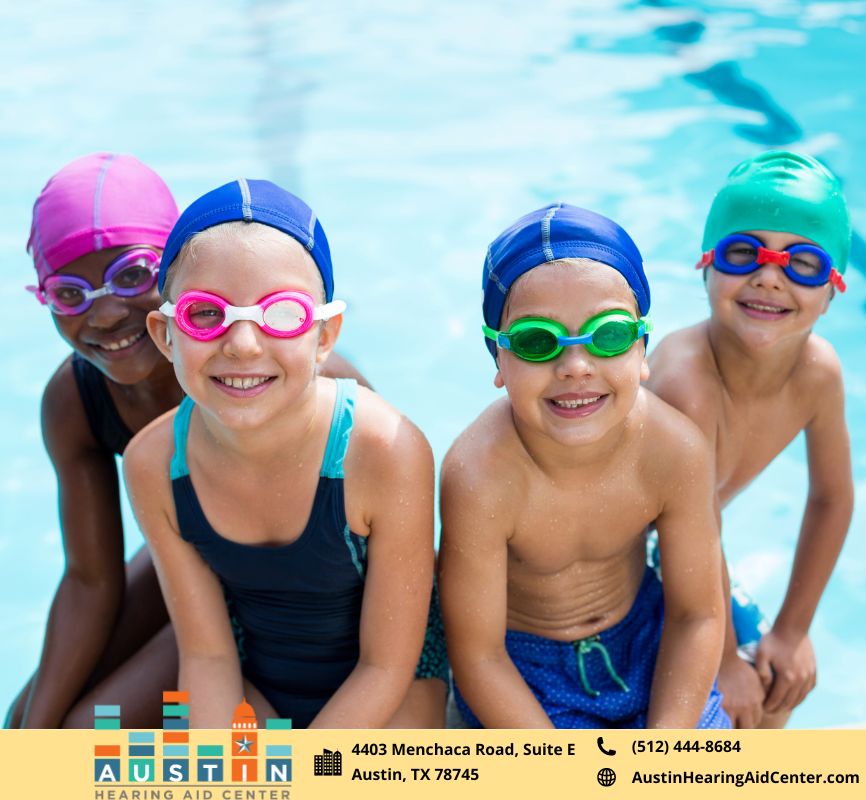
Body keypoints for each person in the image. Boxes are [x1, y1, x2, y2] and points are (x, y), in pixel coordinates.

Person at [7, 154, 370, 729]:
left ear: (176, 274)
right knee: (27, 719)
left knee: (82, 734)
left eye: (131, 275)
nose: (104, 313)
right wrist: (27, 746)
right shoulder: (76, 400)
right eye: (69, 292)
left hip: (290, 596)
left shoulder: (286, 380)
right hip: (190, 566)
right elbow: (89, 578)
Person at [124, 179, 438, 728]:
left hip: (391, 690)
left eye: (282, 314)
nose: (243, 344)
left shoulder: (384, 451)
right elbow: (207, 656)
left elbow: (386, 667)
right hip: (251, 680)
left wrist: (300, 774)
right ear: (165, 333)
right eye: (205, 314)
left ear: (324, 335)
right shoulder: (153, 465)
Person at [439, 203, 728, 728]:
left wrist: (667, 750)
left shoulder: (674, 448)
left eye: (609, 335)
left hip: (647, 644)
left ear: (642, 348)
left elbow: (697, 616)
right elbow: (479, 655)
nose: (575, 366)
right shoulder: (480, 476)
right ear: (497, 359)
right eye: (536, 341)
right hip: (525, 673)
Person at [646, 150, 854, 728]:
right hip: (625, 565)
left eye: (803, 263)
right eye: (745, 254)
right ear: (706, 265)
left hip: (687, 551)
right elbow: (688, 524)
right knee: (729, 707)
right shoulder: (687, 378)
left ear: (833, 287)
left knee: (772, 689)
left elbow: (832, 498)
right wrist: (718, 662)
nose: (769, 276)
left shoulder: (819, 373)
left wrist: (793, 630)